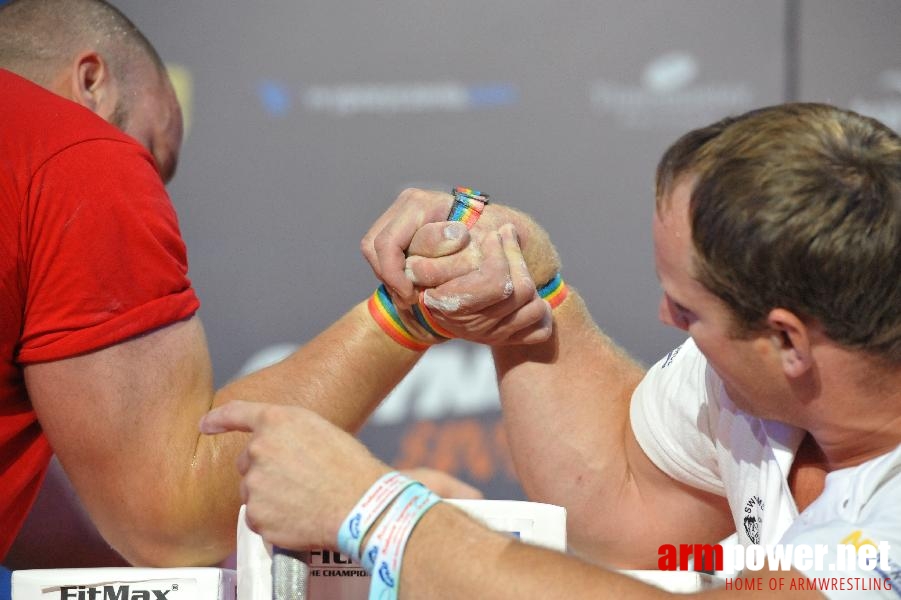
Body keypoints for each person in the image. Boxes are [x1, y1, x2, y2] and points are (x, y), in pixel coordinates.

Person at [202, 102, 901, 597]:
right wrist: (526, 294)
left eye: (688, 311)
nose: (665, 316)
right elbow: (621, 515)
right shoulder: (754, 380)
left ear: (786, 340)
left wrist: (370, 511)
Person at [0, 0, 542, 568]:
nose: (153, 189)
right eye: (151, 159)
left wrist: (346, 497)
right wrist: (412, 311)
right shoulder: (78, 154)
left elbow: (48, 523)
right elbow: (172, 520)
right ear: (91, 83)